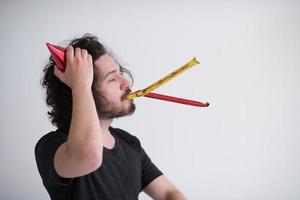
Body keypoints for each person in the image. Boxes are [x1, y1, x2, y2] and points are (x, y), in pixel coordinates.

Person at [35, 34, 187, 200]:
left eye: (120, 73)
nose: (126, 83)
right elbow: (89, 156)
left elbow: (168, 193)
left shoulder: (129, 143)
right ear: (81, 89)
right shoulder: (52, 146)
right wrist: (80, 84)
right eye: (112, 78)